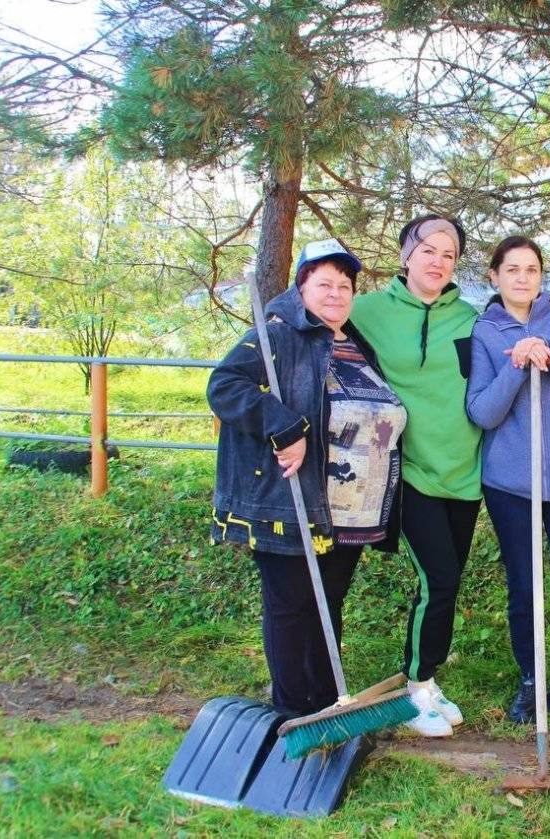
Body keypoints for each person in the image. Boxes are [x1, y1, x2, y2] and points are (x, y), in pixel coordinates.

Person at [207, 239, 405, 717]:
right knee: (292, 606)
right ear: (301, 288)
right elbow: (225, 385)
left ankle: (324, 704)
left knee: (327, 603)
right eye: (323, 284)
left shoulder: (352, 341)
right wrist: (285, 426)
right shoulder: (277, 333)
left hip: (348, 510)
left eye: (344, 285)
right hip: (293, 502)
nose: (336, 293)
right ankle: (294, 711)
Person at [349, 214, 481, 737]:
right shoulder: (367, 311)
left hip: (466, 471)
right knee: (439, 577)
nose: (438, 261)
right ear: (406, 253)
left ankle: (424, 675)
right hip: (406, 469)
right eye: (428, 249)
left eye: (449, 254)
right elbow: (308, 318)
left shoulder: (472, 318)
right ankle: (419, 686)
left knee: (446, 583)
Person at [466, 235, 550, 730]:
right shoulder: (484, 330)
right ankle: (531, 681)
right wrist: (516, 363)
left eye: (531, 269)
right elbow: (482, 411)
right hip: (510, 482)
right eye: (512, 269)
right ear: (495, 277)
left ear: (542, 276)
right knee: (525, 587)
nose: (523, 278)